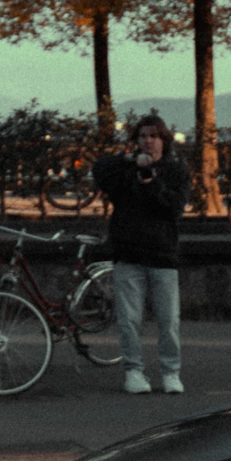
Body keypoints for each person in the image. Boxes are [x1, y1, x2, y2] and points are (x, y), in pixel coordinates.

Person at [94, 115, 190, 394]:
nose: (147, 141)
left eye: (153, 136)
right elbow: (100, 169)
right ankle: (133, 371)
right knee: (129, 320)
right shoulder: (127, 169)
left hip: (163, 254)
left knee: (168, 320)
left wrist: (153, 184)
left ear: (163, 140)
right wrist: (129, 161)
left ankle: (171, 372)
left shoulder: (176, 170)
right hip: (129, 253)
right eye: (142, 136)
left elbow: (175, 208)